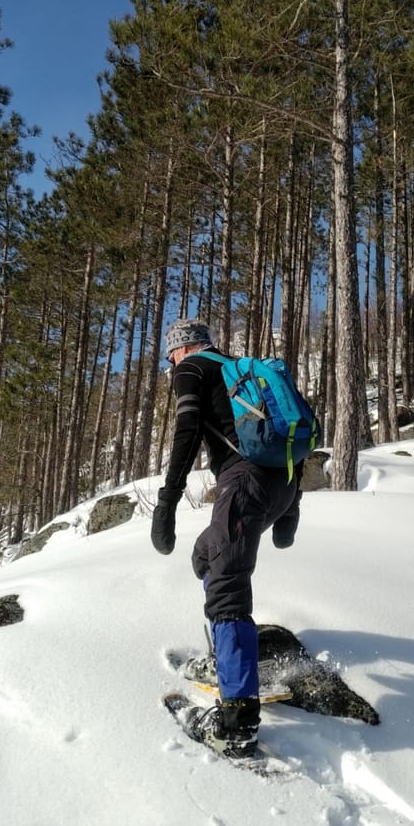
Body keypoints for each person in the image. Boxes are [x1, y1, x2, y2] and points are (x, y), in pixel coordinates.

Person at [151, 318, 301, 758]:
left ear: (181, 348)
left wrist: (167, 502)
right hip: (281, 484)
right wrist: (291, 509)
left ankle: (236, 723)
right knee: (207, 557)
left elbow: (187, 432)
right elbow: (282, 440)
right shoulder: (242, 368)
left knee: (227, 589)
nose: (170, 368)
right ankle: (229, 660)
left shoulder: (191, 368)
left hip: (244, 484)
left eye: (169, 357)